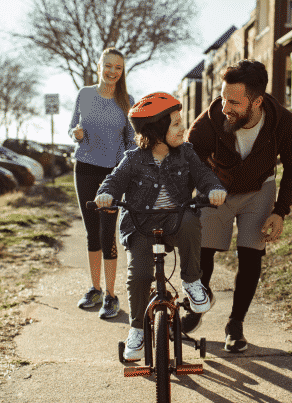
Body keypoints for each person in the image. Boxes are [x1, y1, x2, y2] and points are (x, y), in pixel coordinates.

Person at [93, 92, 227, 360]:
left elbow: (204, 175)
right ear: (155, 132)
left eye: (181, 122)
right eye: (175, 124)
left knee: (191, 221)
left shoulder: (186, 153)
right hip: (140, 224)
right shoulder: (132, 159)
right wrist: (105, 194)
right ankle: (138, 329)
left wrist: (214, 189)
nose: (183, 128)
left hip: (174, 219)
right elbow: (113, 181)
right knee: (140, 275)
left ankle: (191, 281)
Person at [185, 59, 292, 353]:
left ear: (257, 102)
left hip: (259, 190)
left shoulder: (284, 123)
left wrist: (280, 211)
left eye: (234, 102)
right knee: (204, 249)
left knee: (251, 254)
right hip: (218, 189)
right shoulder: (211, 120)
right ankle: (198, 305)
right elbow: (189, 158)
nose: (226, 106)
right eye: (224, 98)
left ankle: (235, 324)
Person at [68, 48, 136, 319]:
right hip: (84, 169)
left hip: (112, 174)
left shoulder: (127, 100)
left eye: (117, 67)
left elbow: (131, 140)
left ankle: (111, 295)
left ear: (122, 71)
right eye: (108, 66)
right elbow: (72, 127)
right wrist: (76, 133)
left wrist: (126, 168)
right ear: (99, 67)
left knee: (108, 233)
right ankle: (94, 289)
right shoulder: (85, 95)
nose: (112, 71)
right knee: (91, 231)